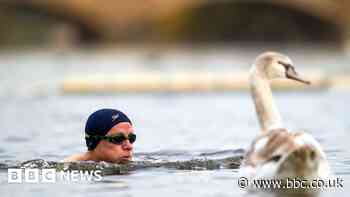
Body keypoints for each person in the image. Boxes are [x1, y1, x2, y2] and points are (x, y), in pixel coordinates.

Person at [63, 109, 136, 163]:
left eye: (131, 138)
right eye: (118, 138)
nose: (129, 146)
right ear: (94, 142)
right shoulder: (69, 170)